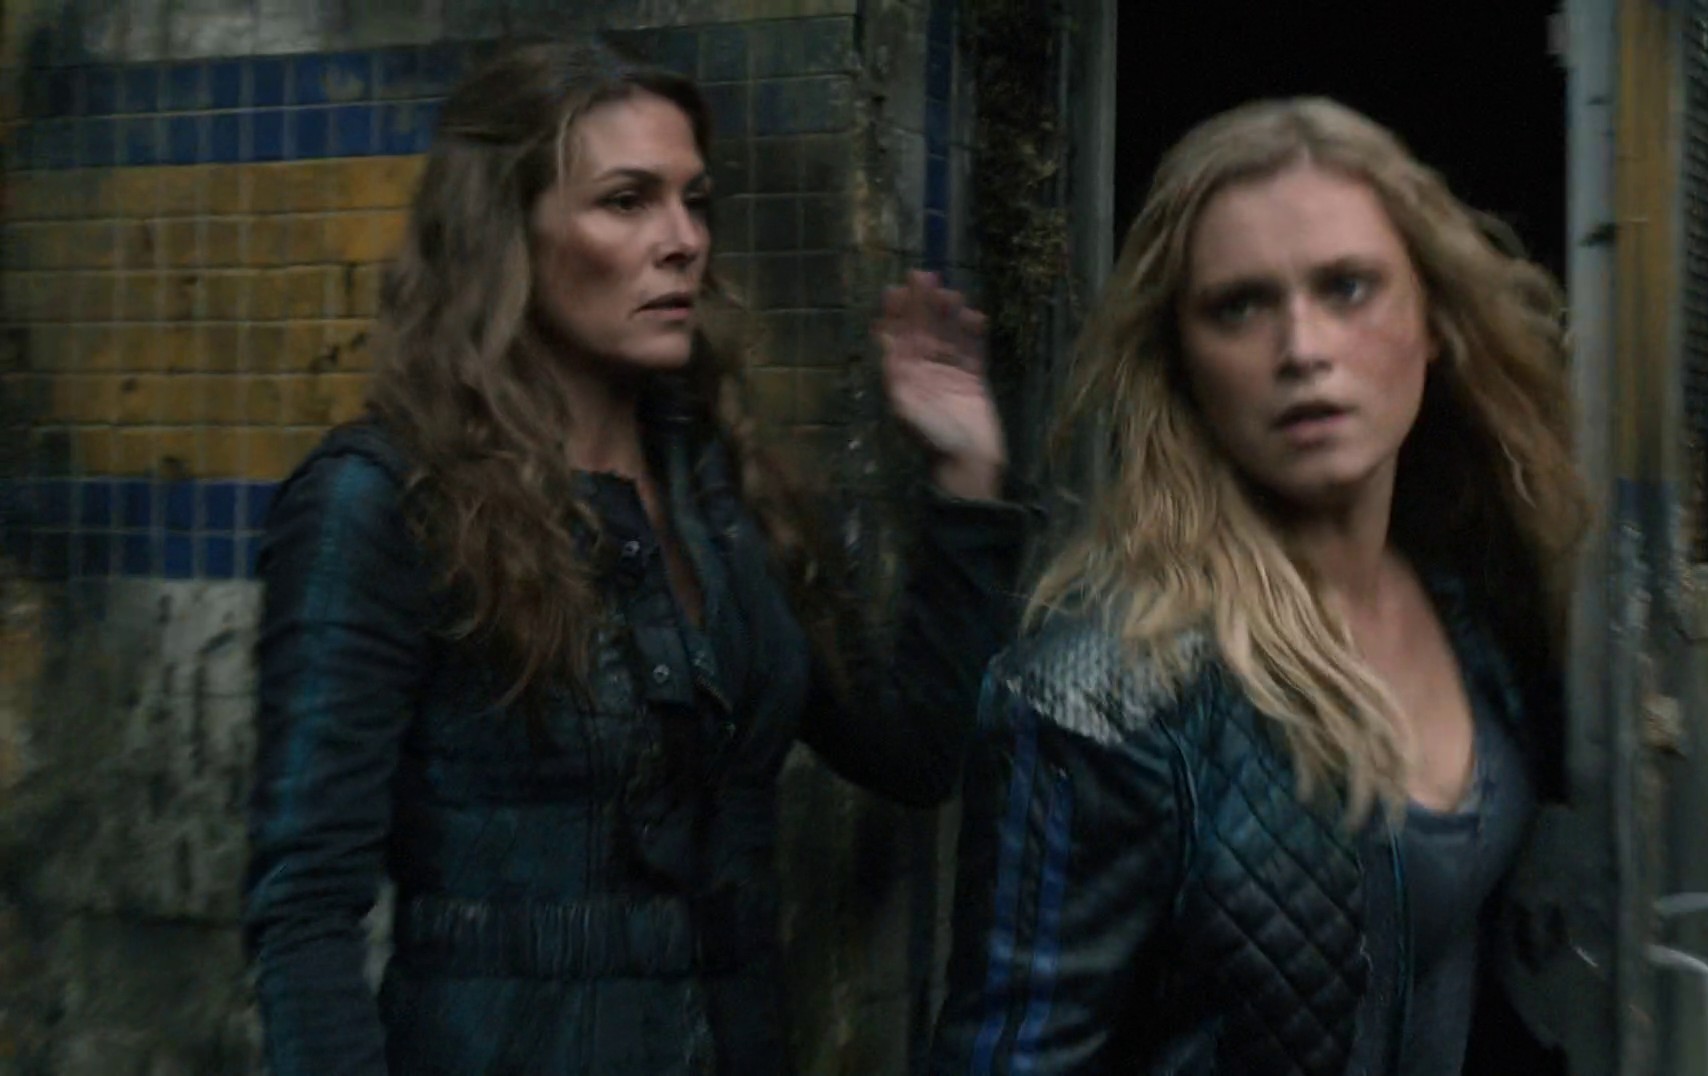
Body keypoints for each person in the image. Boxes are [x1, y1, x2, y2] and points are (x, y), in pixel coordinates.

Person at [243, 37, 1029, 1076]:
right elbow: (305, 909)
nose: (684, 241)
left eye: (694, 202)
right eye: (627, 201)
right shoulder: (383, 501)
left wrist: (966, 477)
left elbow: (914, 752)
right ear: (504, 233)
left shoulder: (723, 495)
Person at [930, 97, 1588, 1075]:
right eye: (1238, 306)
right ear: (1181, 362)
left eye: (1348, 287)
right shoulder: (1099, 697)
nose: (1302, 349)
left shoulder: (1471, 601)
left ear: (1433, 322)